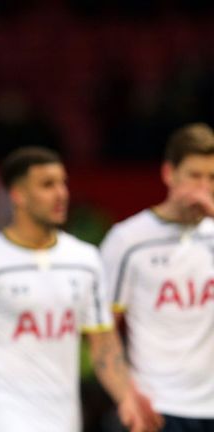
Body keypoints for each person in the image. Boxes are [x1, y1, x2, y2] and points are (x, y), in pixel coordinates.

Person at [0, 147, 162, 432]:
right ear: (17, 195)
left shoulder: (85, 260)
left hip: (66, 420)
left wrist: (127, 397)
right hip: (3, 418)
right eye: (48, 185)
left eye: (63, 183)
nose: (62, 193)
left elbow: (103, 345)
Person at [100, 123, 214, 431]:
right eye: (194, 175)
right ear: (168, 173)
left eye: (212, 177)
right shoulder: (128, 240)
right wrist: (125, 395)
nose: (204, 187)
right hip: (157, 408)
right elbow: (102, 328)